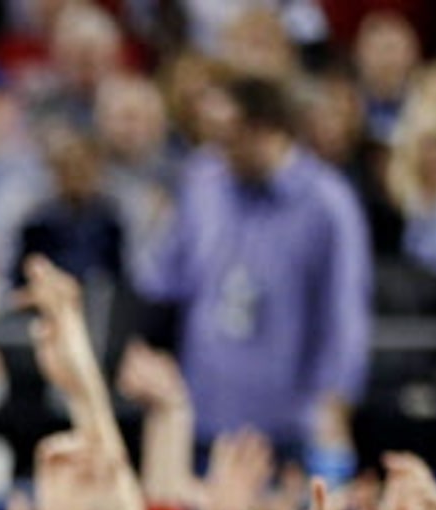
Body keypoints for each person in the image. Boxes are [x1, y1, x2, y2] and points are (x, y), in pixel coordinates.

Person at [134, 72, 372, 464]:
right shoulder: (203, 182)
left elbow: (344, 311)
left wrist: (336, 404)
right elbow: (164, 280)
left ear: (268, 128)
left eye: (231, 137)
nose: (220, 149)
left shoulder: (327, 203)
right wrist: (142, 349)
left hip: (288, 425)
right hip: (203, 414)